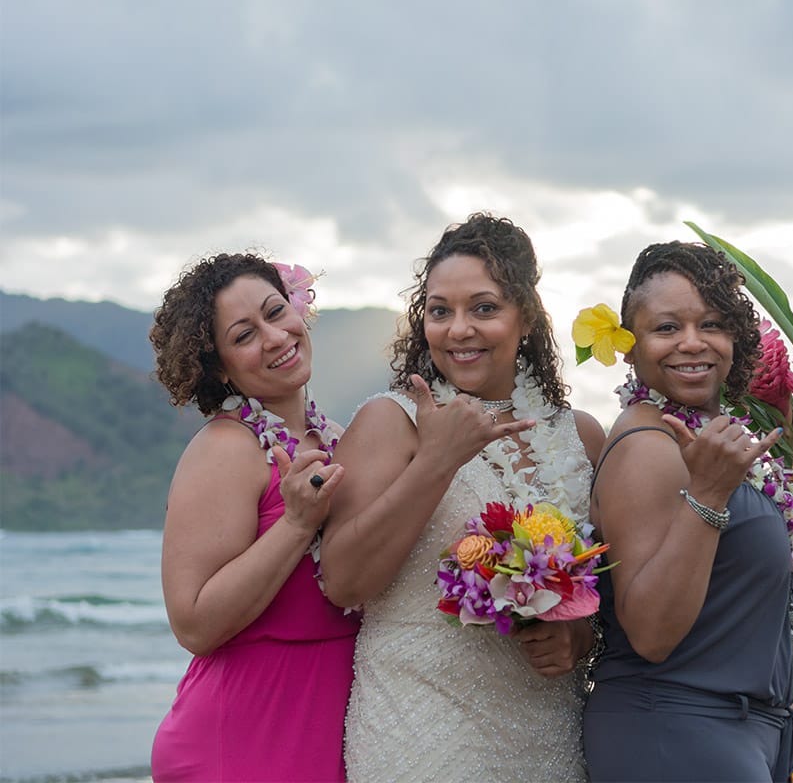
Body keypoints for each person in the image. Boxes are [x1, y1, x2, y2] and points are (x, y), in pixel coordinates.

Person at [319, 213, 606, 782]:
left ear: (524, 316)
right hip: (420, 723)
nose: (458, 329)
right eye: (440, 310)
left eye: (483, 308)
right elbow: (343, 582)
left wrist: (578, 635)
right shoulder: (390, 421)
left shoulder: (583, 436)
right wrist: (437, 459)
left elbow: (610, 590)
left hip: (547, 729)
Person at [581, 241, 793, 783]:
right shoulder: (649, 446)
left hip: (742, 736)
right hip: (674, 733)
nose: (691, 344)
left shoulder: (713, 442)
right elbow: (650, 634)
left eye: (712, 324)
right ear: (631, 346)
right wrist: (710, 497)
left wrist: (792, 730)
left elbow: (752, 616)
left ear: (736, 339)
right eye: (667, 328)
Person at [148, 253, 359, 782]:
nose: (274, 337)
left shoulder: (338, 438)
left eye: (275, 312)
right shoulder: (224, 448)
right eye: (244, 335)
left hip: (338, 725)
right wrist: (295, 525)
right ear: (218, 365)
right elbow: (193, 624)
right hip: (245, 736)